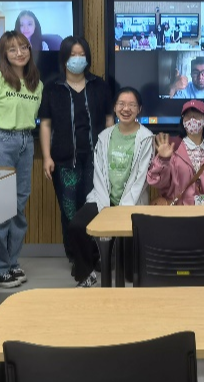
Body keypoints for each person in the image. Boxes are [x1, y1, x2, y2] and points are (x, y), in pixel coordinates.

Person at [65, 86, 154, 287]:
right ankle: (86, 274)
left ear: (139, 109)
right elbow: (99, 173)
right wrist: (105, 207)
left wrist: (122, 210)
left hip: (132, 202)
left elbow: (141, 180)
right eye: (121, 104)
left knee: (130, 273)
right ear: (114, 107)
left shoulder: (146, 138)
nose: (126, 109)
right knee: (77, 226)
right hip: (103, 197)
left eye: (131, 105)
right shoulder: (104, 137)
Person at [0, 31, 43, 289]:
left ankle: (12, 262)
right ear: (3, 53)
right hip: (1, 141)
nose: (19, 53)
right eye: (12, 49)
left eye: (24, 47)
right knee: (0, 208)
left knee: (18, 206)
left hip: (26, 142)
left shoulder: (36, 83)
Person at [39, 36, 114, 266]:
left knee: (94, 208)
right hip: (63, 159)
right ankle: (75, 256)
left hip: (95, 158)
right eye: (73, 55)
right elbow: (45, 124)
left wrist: (108, 151)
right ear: (64, 58)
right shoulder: (53, 88)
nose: (78, 59)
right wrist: (46, 157)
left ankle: (95, 255)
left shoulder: (99, 85)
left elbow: (109, 119)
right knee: (69, 210)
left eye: (82, 55)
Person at [147, 100, 204, 206]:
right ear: (183, 122)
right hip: (178, 211)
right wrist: (163, 160)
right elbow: (155, 181)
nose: (192, 120)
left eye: (196, 116)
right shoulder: (172, 148)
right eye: (188, 116)